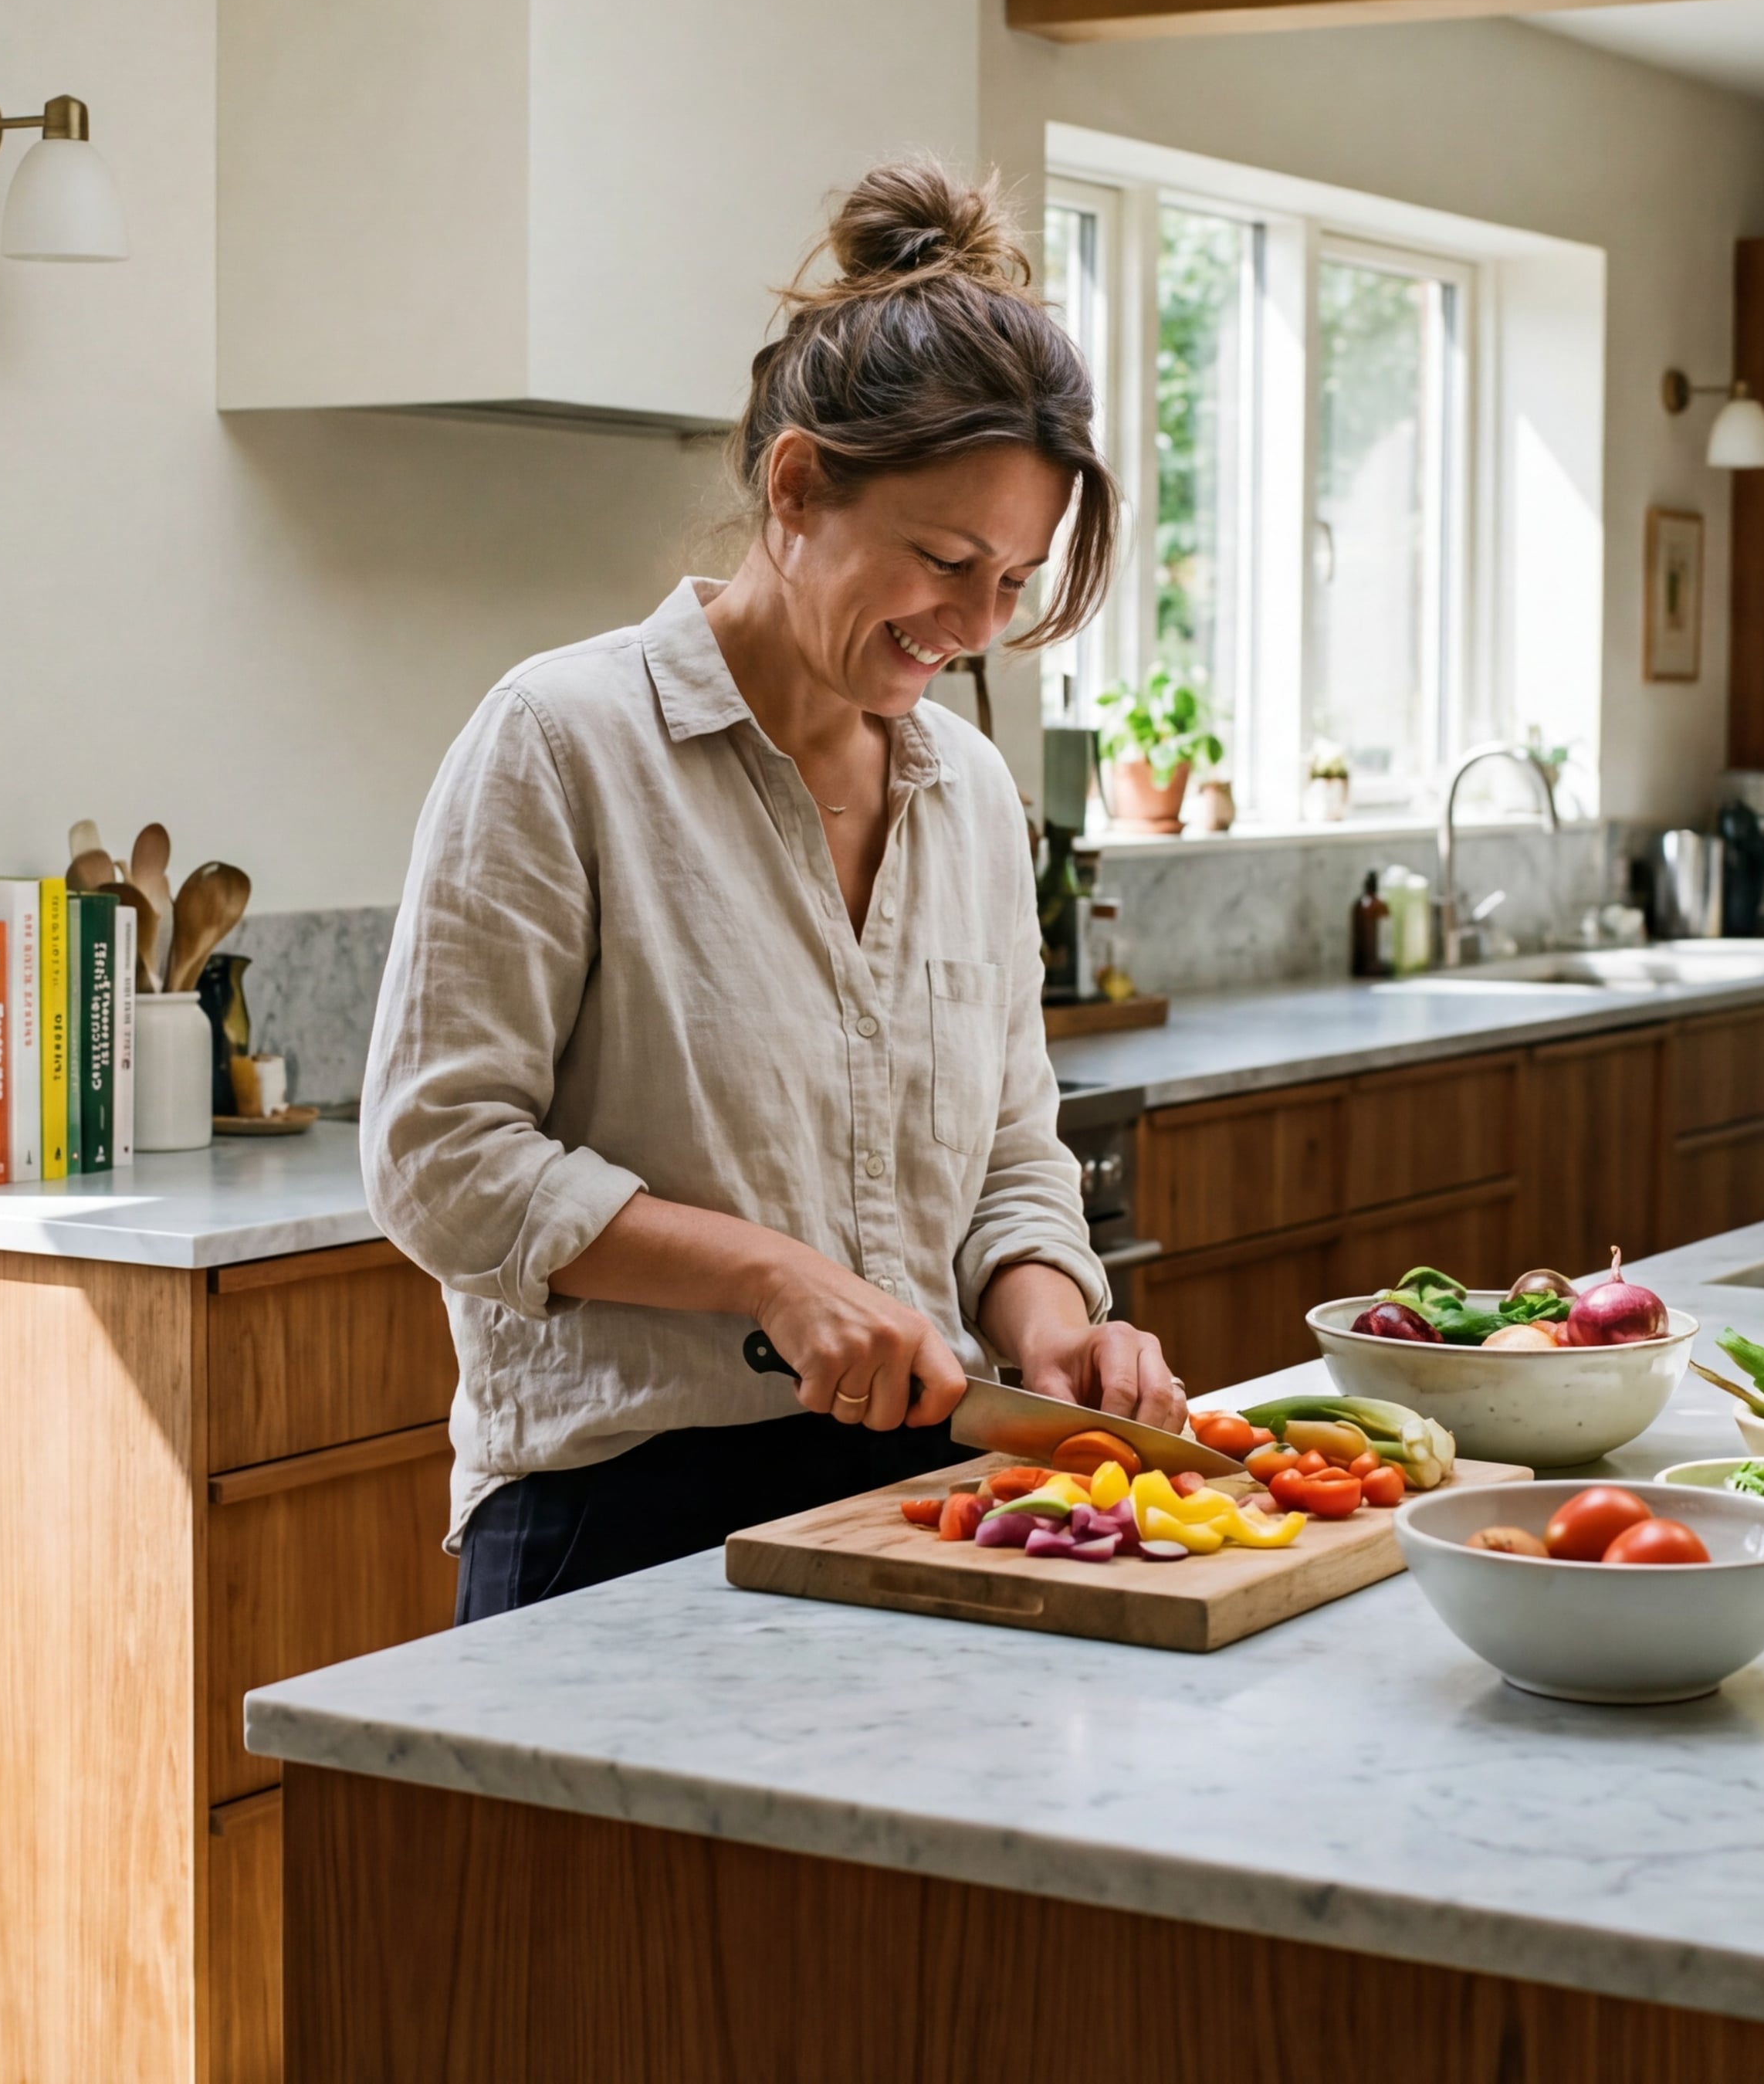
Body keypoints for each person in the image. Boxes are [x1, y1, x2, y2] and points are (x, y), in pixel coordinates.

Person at [365, 161, 1185, 1622]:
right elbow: (439, 1158)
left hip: (925, 1502)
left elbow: (1010, 1155)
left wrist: (1053, 1323)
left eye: (1012, 579)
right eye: (946, 560)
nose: (975, 624)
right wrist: (766, 1275)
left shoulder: (971, 795)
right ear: (797, 487)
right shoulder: (560, 744)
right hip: (612, 1526)